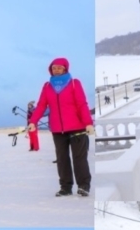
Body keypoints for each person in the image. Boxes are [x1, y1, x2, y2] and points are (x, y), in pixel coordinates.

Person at [28, 57, 94, 197]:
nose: (56, 70)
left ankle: (83, 185)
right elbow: (41, 106)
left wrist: (88, 123)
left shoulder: (74, 83)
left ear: (65, 68)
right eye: (54, 68)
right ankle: (65, 187)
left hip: (77, 128)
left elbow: (82, 104)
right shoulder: (47, 86)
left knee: (79, 158)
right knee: (62, 159)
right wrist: (33, 122)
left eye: (59, 67)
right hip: (58, 129)